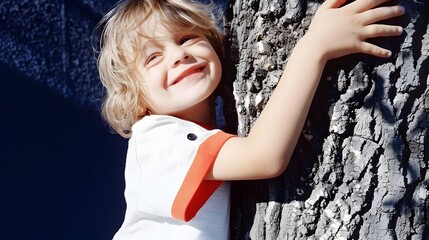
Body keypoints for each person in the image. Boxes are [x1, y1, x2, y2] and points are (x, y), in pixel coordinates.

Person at [96, 0, 405, 239]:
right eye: (152, 57)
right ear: (133, 96)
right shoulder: (157, 139)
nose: (178, 55)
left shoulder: (197, 138)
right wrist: (314, 47)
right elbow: (264, 156)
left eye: (188, 38)